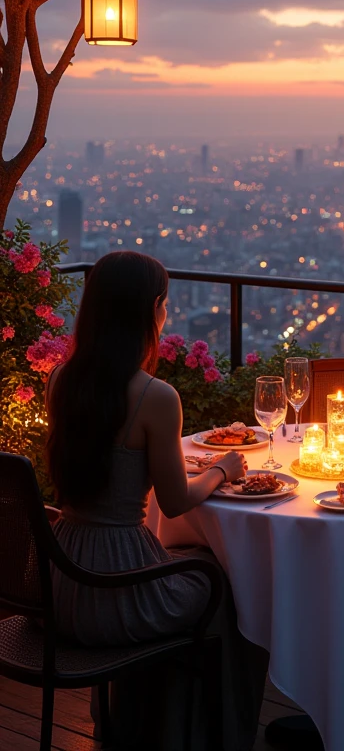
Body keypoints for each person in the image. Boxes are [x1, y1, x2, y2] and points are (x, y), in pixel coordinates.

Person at [46, 251, 266, 749]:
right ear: (152, 310)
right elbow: (174, 502)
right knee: (227, 586)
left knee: (189, 565)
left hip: (60, 582)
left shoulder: (60, 380)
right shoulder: (156, 396)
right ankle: (204, 736)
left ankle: (139, 724)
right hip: (118, 584)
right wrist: (221, 469)